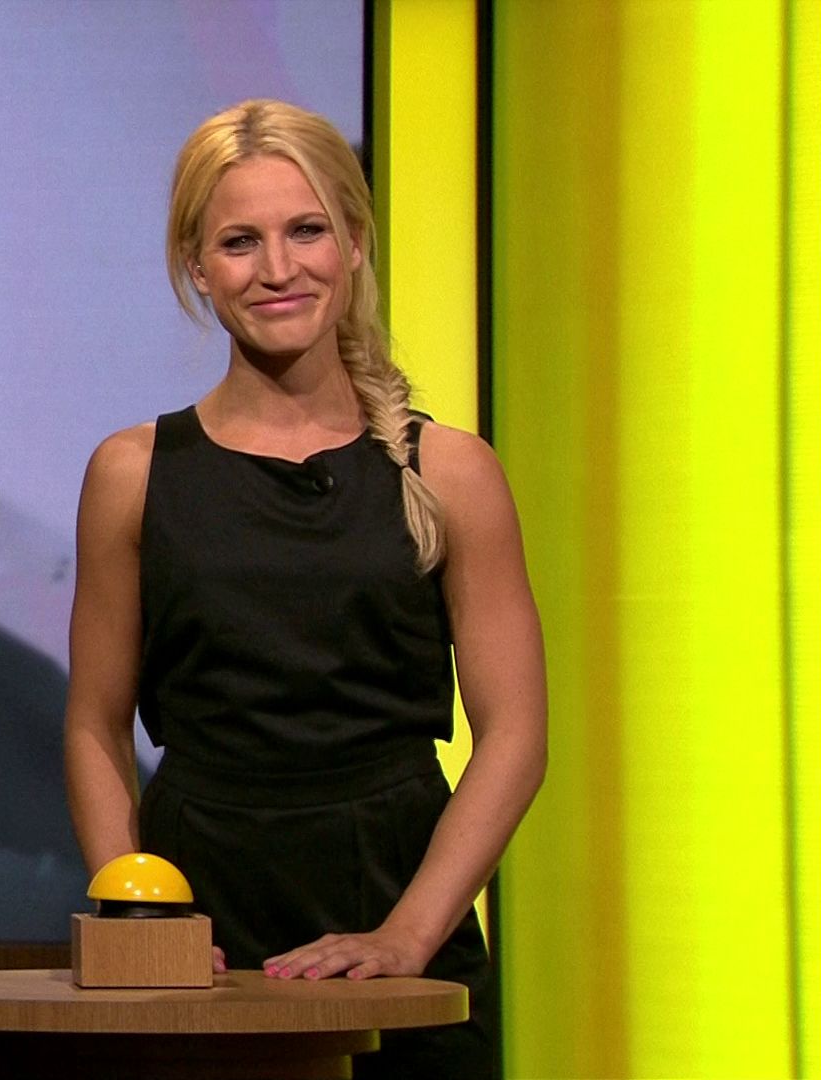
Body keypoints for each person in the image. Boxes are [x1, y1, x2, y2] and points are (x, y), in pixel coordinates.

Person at [62, 99, 547, 1078]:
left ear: (356, 243)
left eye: (307, 231)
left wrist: (409, 936)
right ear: (197, 267)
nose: (278, 269)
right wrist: (132, 916)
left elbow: (515, 735)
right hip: (199, 906)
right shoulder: (134, 473)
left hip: (399, 896)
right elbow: (95, 725)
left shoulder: (451, 471)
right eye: (240, 242)